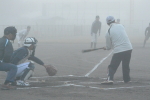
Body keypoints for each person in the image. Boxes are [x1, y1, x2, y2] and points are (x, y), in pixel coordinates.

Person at [101, 16, 133, 85]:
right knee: (126, 65)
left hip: (119, 50)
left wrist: (105, 47)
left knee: (112, 66)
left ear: (107, 23)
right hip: (128, 48)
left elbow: (109, 47)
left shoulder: (108, 32)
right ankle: (127, 80)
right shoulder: (121, 26)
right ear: (114, 21)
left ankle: (110, 79)